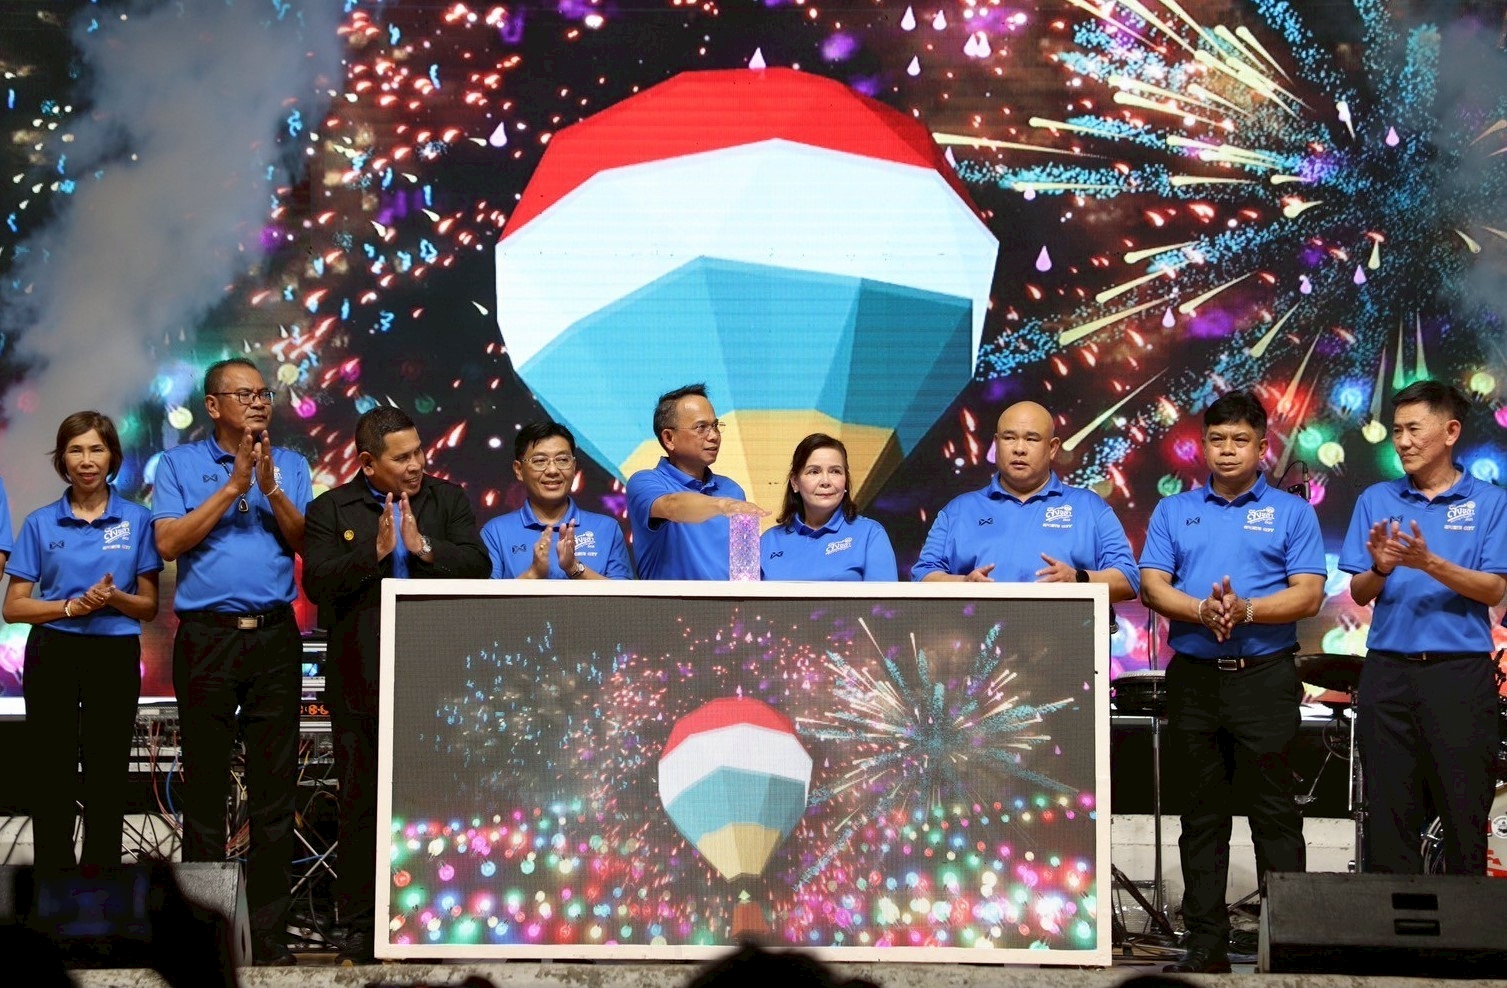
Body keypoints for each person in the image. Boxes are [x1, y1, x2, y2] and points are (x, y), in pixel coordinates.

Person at [1138, 390, 1325, 974]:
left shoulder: (1293, 512)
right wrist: (1201, 611)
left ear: (1262, 446)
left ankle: (1288, 942)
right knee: (1201, 817)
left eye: (1240, 440)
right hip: (1194, 679)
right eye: (1217, 439)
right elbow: (1151, 584)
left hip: (1265, 678)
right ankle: (1206, 944)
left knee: (1275, 814)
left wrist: (1245, 611)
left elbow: (1308, 595)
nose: (1227, 450)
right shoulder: (1174, 510)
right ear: (1204, 445)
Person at [302, 406, 491, 964]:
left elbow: (477, 565)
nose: (416, 465)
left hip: (438, 679)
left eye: (419, 452)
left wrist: (423, 546)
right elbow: (318, 585)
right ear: (367, 463)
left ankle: (436, 918)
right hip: (359, 679)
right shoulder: (330, 508)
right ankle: (360, 927)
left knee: (437, 800)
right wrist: (375, 553)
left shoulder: (447, 500)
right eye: (402, 457)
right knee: (360, 803)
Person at [152, 358, 312, 966]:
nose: (259, 402)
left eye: (264, 393)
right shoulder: (178, 465)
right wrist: (233, 486)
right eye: (244, 394)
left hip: (274, 638)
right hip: (206, 639)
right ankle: (207, 940)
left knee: (275, 793)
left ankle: (269, 939)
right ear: (213, 405)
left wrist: (268, 486)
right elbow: (168, 543)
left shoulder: (292, 464)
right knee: (205, 790)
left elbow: (306, 543)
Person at [1340, 380, 1507, 876]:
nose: (1403, 441)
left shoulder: (1491, 502)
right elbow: (1360, 592)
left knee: (1463, 814)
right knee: (1388, 815)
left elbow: (1494, 590)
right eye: (1397, 431)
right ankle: (1393, 925)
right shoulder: (1376, 498)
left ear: (1450, 431)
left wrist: (1429, 562)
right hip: (1387, 674)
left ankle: (1464, 927)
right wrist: (1383, 566)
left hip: (1460, 675)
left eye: (1414, 429)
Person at [4, 412, 161, 874]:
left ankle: (102, 885)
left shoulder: (138, 520)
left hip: (114, 652)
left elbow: (148, 606)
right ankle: (53, 884)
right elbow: (14, 607)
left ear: (112, 456)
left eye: (96, 449)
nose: (86, 460)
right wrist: (72, 607)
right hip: (53, 651)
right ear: (63, 459)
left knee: (106, 772)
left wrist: (113, 598)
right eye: (76, 450)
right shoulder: (40, 523)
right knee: (51, 770)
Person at [911, 400, 1138, 602]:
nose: (1019, 449)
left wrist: (1078, 579)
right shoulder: (959, 510)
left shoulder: (1089, 507)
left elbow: (1128, 579)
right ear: (996, 444)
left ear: (1052, 448)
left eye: (1031, 439)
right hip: (977, 634)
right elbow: (922, 577)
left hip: (1067, 635)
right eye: (1009, 438)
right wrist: (964, 584)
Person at [626, 383, 765, 580]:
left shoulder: (732, 490)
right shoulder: (644, 482)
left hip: (731, 600)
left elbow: (745, 573)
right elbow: (672, 507)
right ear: (669, 438)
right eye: (701, 428)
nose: (714, 436)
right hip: (672, 600)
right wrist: (722, 505)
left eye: (715, 426)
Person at [482, 421, 632, 580]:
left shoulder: (607, 529)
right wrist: (533, 574)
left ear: (573, 466)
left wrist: (574, 568)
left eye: (562, 460)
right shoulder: (495, 532)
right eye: (540, 461)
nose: (552, 470)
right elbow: (484, 595)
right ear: (519, 470)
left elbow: (624, 594)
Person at [760, 433, 897, 581]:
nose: (825, 481)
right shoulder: (768, 541)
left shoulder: (870, 534)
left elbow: (885, 597)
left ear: (845, 480)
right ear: (795, 482)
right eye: (814, 471)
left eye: (835, 471)